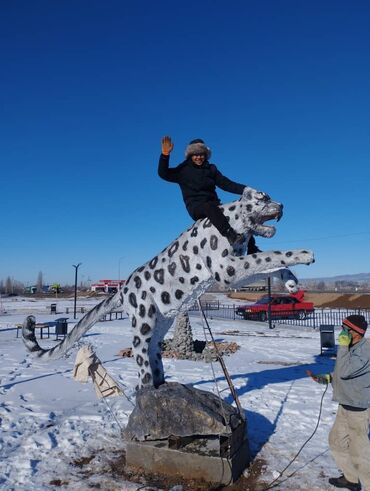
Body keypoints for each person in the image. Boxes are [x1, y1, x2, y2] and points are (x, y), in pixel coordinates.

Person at [158, 136, 260, 253]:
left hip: (215, 206)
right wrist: (165, 155)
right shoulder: (183, 170)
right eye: (195, 154)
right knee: (208, 206)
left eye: (201, 154)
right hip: (196, 207)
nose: (199, 157)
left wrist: (247, 190)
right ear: (190, 156)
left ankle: (252, 247)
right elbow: (164, 173)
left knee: (237, 210)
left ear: (206, 155)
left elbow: (226, 184)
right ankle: (230, 235)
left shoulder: (211, 169)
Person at [308, 315, 370, 491]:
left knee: (360, 451)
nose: (342, 332)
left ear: (357, 332)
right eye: (342, 328)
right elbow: (342, 374)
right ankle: (351, 478)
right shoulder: (353, 347)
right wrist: (327, 378)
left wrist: (342, 346)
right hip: (345, 404)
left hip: (359, 408)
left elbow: (345, 371)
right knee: (336, 441)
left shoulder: (366, 350)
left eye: (346, 329)